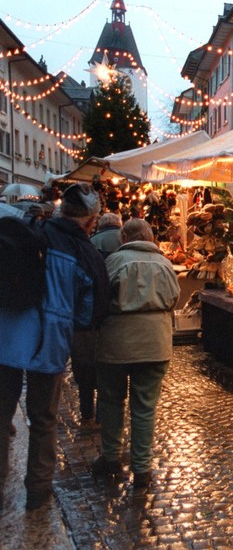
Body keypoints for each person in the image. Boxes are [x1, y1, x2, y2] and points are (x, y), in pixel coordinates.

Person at [0, 182, 109, 511]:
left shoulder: (31, 231)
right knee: (44, 419)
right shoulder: (82, 251)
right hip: (49, 342)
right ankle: (38, 490)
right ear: (90, 221)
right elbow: (91, 310)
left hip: (7, 335)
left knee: (1, 414)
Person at [92, 219, 180, 493]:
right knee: (144, 408)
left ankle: (111, 459)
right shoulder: (165, 263)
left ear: (124, 237)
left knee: (111, 401)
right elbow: (174, 297)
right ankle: (142, 469)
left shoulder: (114, 262)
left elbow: (100, 298)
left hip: (116, 342)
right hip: (154, 343)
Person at [70, 213, 124, 427]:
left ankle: (86, 412)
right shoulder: (124, 241)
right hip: (108, 315)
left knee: (84, 368)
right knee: (105, 370)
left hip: (85, 319)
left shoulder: (90, 245)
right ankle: (103, 414)